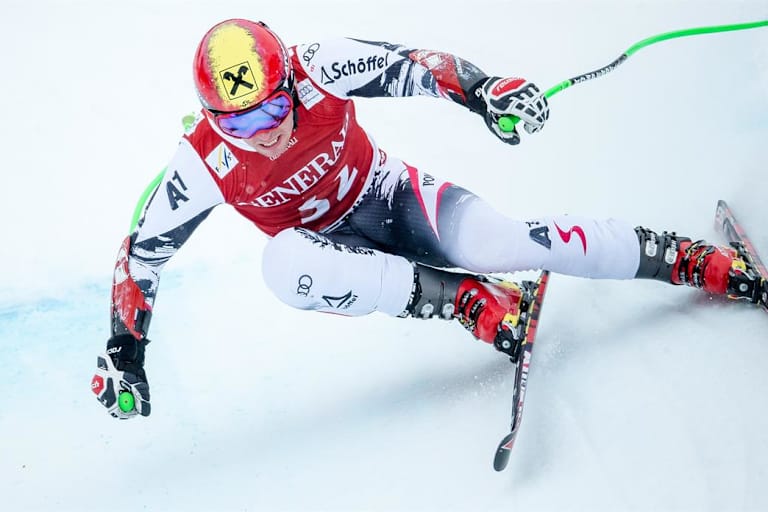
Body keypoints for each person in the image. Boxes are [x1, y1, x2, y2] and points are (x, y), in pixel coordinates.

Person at [91, 18, 765, 419]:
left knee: (503, 241)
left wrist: (484, 91)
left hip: (391, 197)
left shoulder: (318, 66)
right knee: (282, 266)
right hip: (329, 257)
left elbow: (415, 65)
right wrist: (127, 353)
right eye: (237, 123)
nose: (262, 133)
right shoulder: (202, 163)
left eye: (271, 111)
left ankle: (691, 259)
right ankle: (471, 302)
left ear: (290, 83)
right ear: (211, 119)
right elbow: (140, 256)